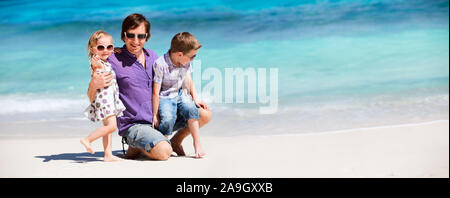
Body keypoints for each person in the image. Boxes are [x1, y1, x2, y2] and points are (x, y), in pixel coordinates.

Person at [87, 13, 212, 161]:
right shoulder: (112, 59)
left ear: (147, 37)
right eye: (130, 35)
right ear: (123, 36)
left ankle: (175, 141)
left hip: (159, 119)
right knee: (164, 152)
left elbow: (178, 76)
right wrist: (94, 84)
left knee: (203, 114)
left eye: (141, 36)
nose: (135, 41)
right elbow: (96, 98)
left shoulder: (153, 57)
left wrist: (193, 98)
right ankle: (137, 145)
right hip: (134, 125)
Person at [152, 32, 205, 158]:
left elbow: (189, 79)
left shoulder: (185, 61)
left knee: (191, 108)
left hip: (180, 94)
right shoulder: (160, 64)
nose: (193, 59)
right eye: (192, 57)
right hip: (165, 96)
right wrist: (154, 114)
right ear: (180, 54)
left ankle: (197, 143)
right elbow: (155, 91)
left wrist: (196, 98)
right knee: (168, 119)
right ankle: (163, 145)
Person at [81, 30, 125, 162]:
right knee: (112, 126)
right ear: (92, 49)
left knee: (108, 128)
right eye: (101, 47)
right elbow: (97, 74)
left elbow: (106, 53)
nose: (105, 50)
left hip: (109, 99)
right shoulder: (96, 63)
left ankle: (108, 154)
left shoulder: (104, 59)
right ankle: (87, 139)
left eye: (109, 47)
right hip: (104, 100)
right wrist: (98, 66)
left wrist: (113, 50)